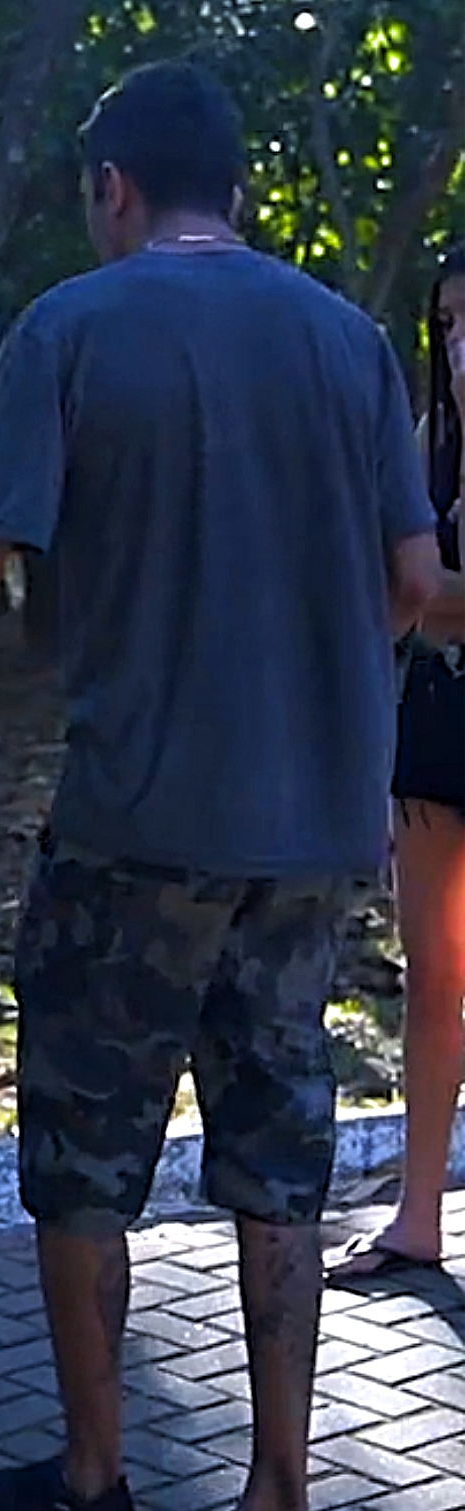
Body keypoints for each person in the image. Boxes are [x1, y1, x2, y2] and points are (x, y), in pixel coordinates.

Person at [0, 61, 440, 1511]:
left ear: (112, 185)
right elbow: (416, 578)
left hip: (134, 828)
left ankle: (94, 1482)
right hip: (310, 840)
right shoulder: (351, 342)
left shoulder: (72, 329)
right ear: (228, 185)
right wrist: (327, 697)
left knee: (88, 1160)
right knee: (279, 1152)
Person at [326, 244, 465, 1288]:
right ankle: (418, 1215)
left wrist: (421, 588)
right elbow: (389, 584)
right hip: (433, 729)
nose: (464, 345)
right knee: (432, 981)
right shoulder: (433, 447)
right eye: (450, 323)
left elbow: (414, 589)